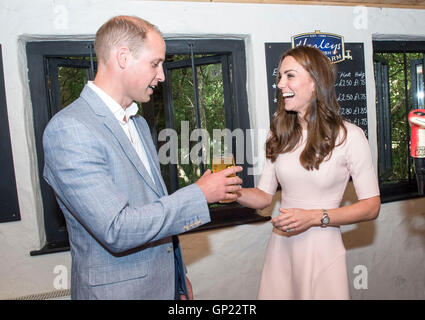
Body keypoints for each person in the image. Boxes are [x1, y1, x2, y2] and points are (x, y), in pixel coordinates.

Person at [42, 15, 242, 300]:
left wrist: (177, 278)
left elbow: (154, 208)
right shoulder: (70, 129)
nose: (161, 75)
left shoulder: (138, 124)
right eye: (155, 63)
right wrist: (199, 194)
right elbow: (117, 228)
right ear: (123, 57)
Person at [237, 46, 380, 299]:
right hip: (281, 247)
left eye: (289, 75)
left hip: (322, 250)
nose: (281, 84)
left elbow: (371, 206)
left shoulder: (350, 137)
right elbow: (263, 197)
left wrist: (315, 217)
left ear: (315, 82)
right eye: (279, 77)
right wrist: (233, 191)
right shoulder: (278, 134)